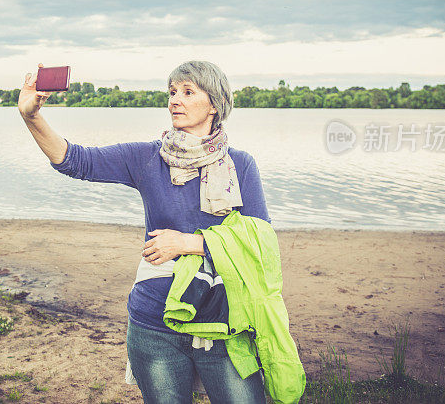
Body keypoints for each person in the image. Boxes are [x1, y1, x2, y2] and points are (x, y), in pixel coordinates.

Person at [18, 60, 271, 404]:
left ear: (214, 104)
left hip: (220, 319)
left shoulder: (240, 165)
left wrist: (188, 243)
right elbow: (75, 161)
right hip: (154, 322)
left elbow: (261, 243)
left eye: (187, 92)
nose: (174, 100)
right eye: (171, 92)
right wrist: (31, 116)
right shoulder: (148, 158)